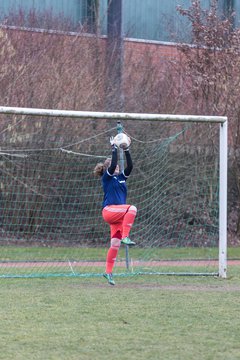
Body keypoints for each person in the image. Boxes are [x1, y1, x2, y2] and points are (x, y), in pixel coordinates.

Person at [93, 136, 137, 285]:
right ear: (107, 169)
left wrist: (127, 150)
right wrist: (114, 148)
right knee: (132, 208)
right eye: (115, 166)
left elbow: (130, 167)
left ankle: (108, 272)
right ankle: (126, 236)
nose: (117, 167)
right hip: (109, 211)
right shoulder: (107, 177)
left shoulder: (121, 178)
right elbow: (111, 167)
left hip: (118, 217)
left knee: (115, 245)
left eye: (117, 166)